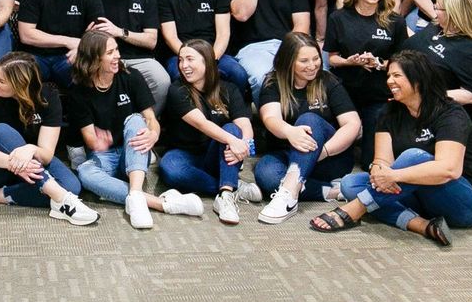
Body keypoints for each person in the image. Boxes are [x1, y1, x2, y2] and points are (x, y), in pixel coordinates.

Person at [311, 50, 472, 245]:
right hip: (419, 198)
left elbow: (449, 169)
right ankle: (422, 225)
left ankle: (356, 209)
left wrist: (394, 176)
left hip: (465, 204)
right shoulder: (389, 112)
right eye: (389, 75)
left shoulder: (449, 112)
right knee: (350, 184)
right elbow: (381, 162)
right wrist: (380, 172)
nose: (389, 81)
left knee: (414, 156)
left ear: (418, 80)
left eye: (396, 76)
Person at [67, 32, 202, 228]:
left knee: (136, 120)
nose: (117, 56)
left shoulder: (131, 76)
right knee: (85, 173)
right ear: (94, 58)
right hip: (104, 156)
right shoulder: (78, 90)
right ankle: (158, 202)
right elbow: (90, 139)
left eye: (117, 50)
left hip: (133, 149)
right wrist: (99, 141)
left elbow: (150, 119)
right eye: (110, 52)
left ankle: (136, 194)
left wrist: (153, 134)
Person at [0, 53, 99, 224]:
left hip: (31, 162)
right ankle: (60, 198)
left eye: (1, 80)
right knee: (2, 131)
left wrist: (30, 149)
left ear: (21, 84)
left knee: (72, 186)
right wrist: (17, 165)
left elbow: (47, 154)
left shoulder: (48, 95)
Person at [253, 32, 362, 224]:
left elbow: (353, 124)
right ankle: (330, 191)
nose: (312, 66)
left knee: (309, 120)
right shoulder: (273, 83)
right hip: (286, 152)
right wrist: (289, 132)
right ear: (288, 62)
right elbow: (270, 117)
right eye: (304, 61)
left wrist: (323, 151)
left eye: (316, 59)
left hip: (329, 157)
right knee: (267, 177)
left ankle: (288, 196)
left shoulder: (328, 81)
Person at [158, 39, 254, 226]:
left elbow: (244, 125)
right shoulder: (177, 90)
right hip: (185, 153)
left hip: (216, 153)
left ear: (206, 61)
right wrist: (233, 141)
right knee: (170, 170)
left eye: (190, 59)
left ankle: (225, 196)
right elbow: (201, 124)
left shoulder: (228, 89)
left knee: (233, 130)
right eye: (180, 60)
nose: (183, 65)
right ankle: (232, 184)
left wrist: (244, 144)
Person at [324, 0, 405, 169]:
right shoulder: (338, 18)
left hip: (377, 93)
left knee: (371, 160)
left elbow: (403, 62)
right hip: (344, 91)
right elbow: (332, 58)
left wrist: (380, 63)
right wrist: (349, 61)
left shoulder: (394, 21)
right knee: (339, 162)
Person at [95, 0, 171, 113]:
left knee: (162, 80)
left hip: (139, 58)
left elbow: (151, 40)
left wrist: (119, 32)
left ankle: (147, 123)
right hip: (104, 56)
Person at [404, 0, 472, 119]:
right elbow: (413, 45)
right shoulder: (436, 26)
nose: (434, 10)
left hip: (439, 114)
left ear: (453, 13)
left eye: (438, 7)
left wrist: (424, 96)